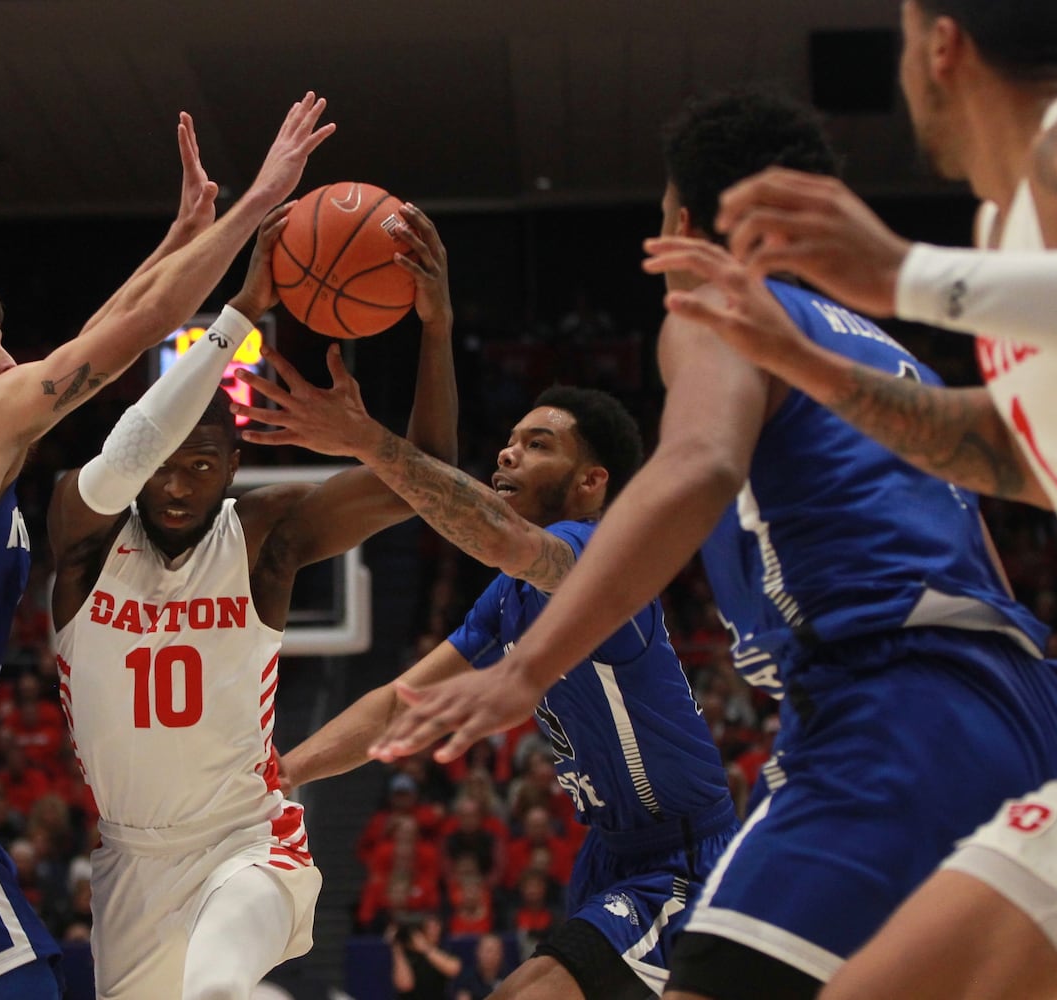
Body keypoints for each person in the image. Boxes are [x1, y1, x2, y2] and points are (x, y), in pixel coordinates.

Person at [364, 90, 1057, 1000]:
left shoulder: (719, 305)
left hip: (890, 703)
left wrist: (526, 671)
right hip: (1032, 703)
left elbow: (699, 462)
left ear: (682, 219)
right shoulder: (884, 352)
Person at [641, 3, 1057, 998]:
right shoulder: (1006, 232)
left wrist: (909, 278)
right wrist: (806, 365)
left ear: (940, 43)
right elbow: (1012, 450)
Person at [0, 95, 334, 999]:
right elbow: (133, 335)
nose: (13, 360)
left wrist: (179, 235)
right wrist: (260, 205)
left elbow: (100, 331)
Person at [47, 193, 457, 999]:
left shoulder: (266, 535)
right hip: (130, 859)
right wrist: (241, 312)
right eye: (164, 461)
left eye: (200, 464)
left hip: (247, 840)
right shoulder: (83, 534)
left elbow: (425, 483)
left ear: (234, 466)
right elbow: (122, 459)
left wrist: (436, 331)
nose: (176, 484)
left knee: (218, 989)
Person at [245, 369, 739, 999]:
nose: (509, 452)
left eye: (539, 444)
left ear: (591, 483)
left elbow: (504, 539)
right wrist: (285, 773)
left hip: (682, 856)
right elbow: (397, 704)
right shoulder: (510, 596)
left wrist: (366, 440)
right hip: (611, 851)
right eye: (511, 440)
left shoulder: (596, 554)